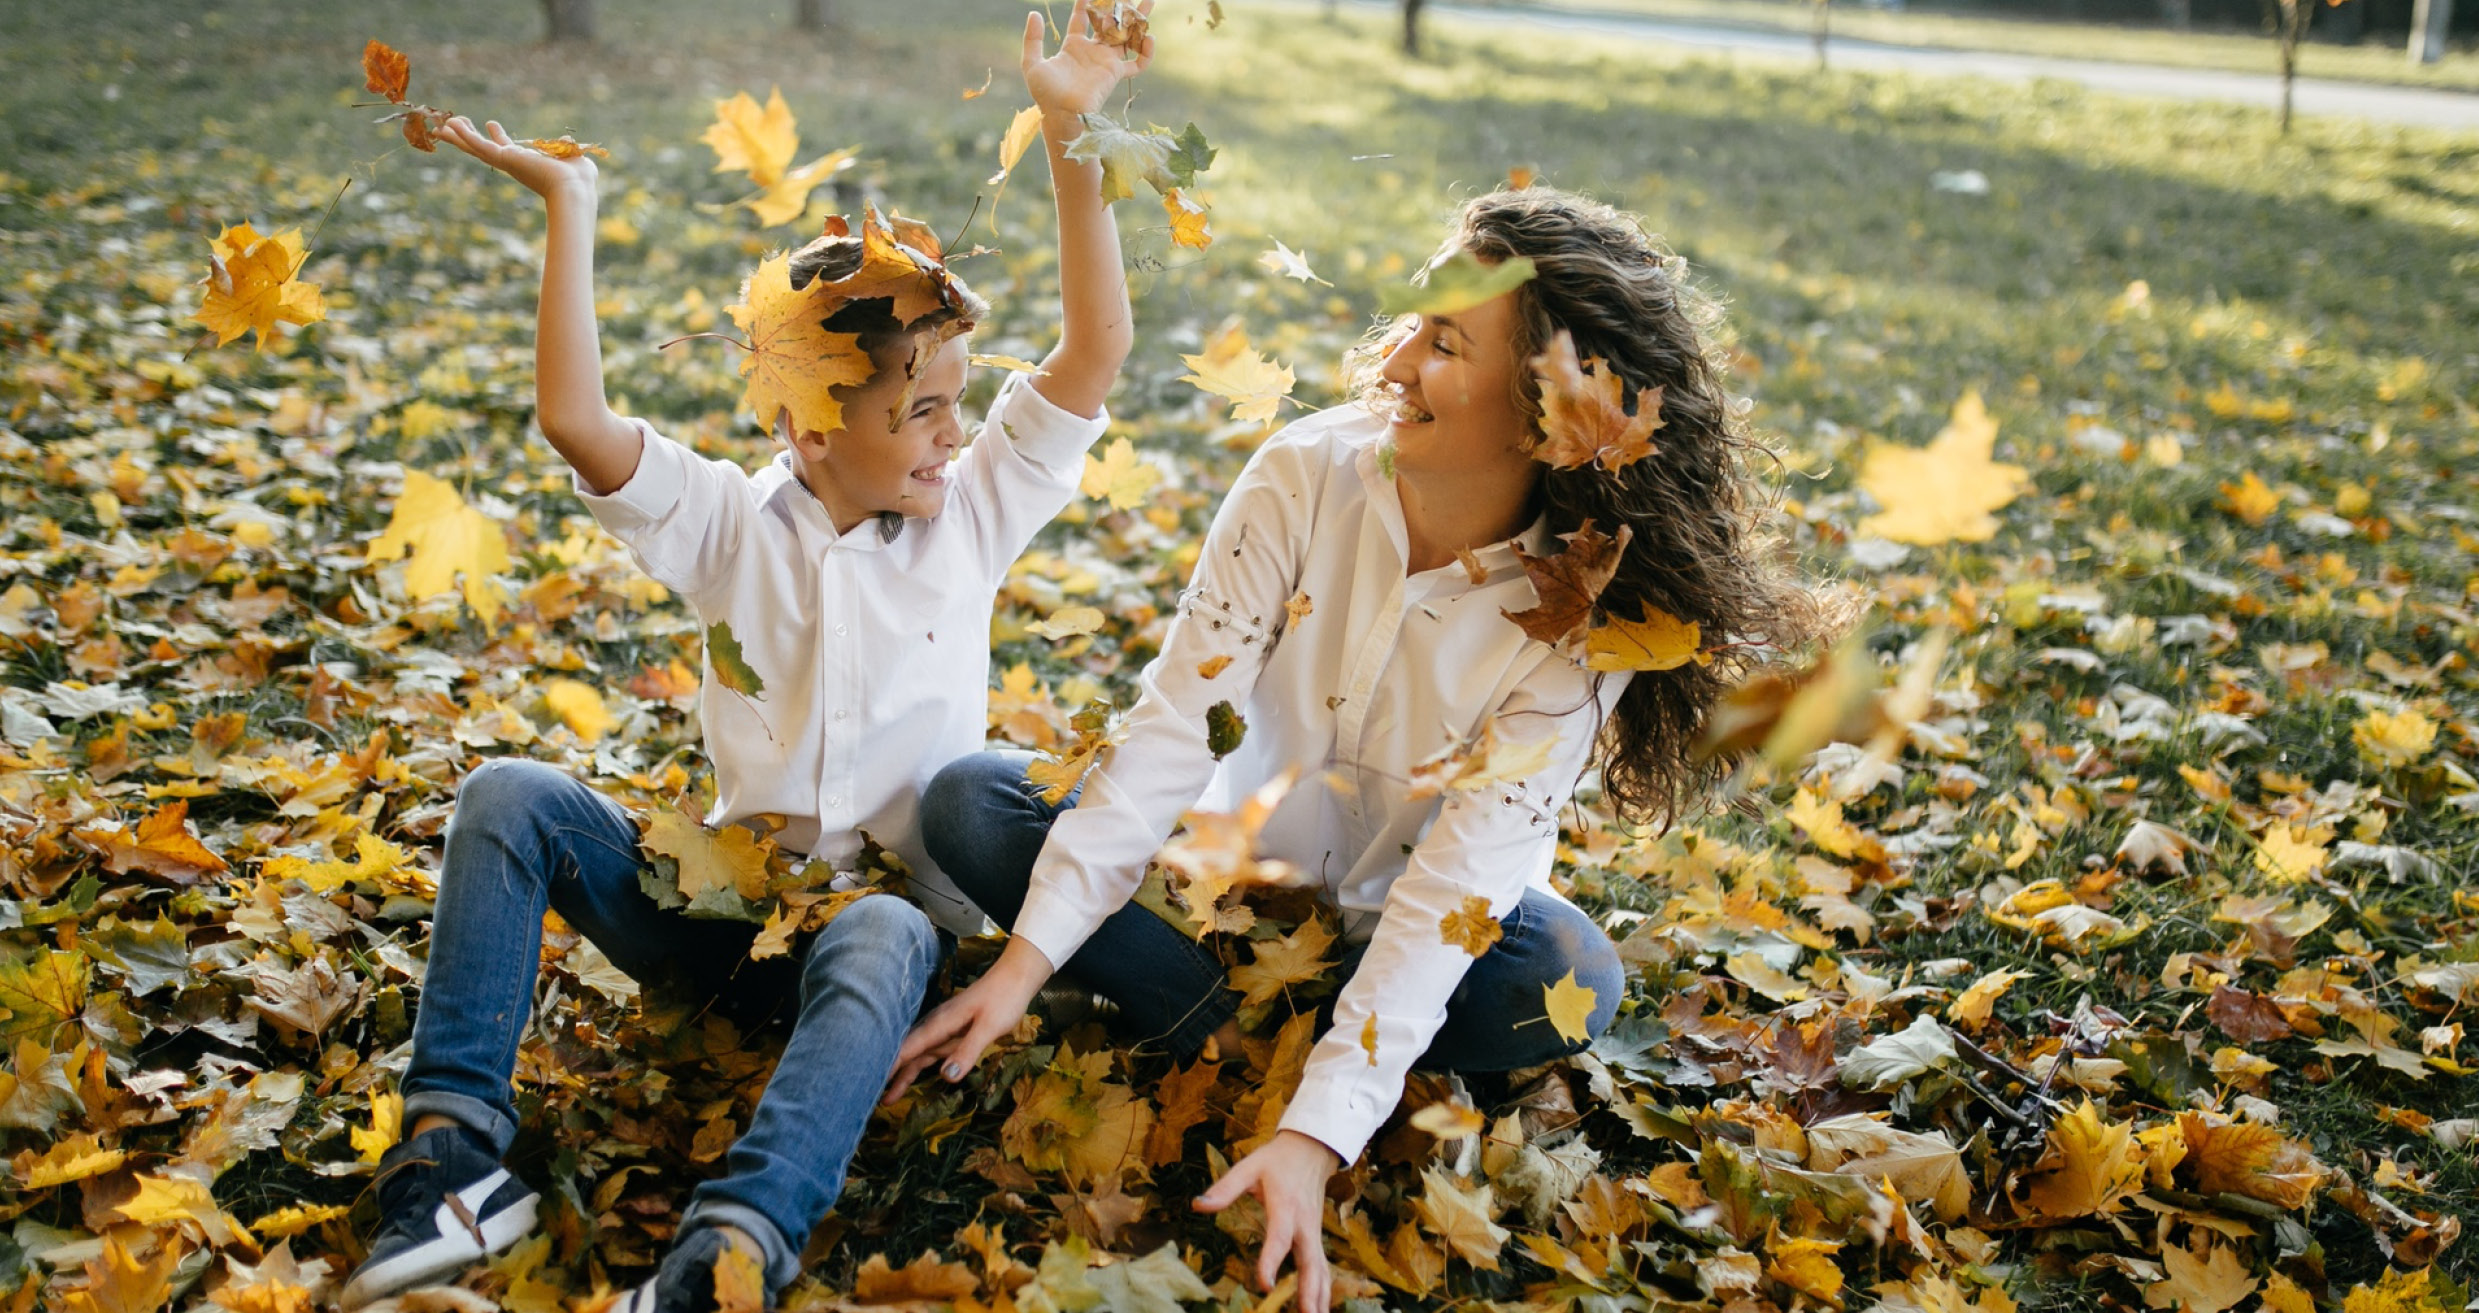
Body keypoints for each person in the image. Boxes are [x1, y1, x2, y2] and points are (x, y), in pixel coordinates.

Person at [891, 186, 1834, 1313]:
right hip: (1218, 889)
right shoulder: (1304, 473)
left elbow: (1454, 897)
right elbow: (1172, 728)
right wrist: (1022, 965)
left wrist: (1311, 1140)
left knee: (1569, 971)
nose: (1390, 359)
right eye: (1411, 322)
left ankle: (1245, 1036)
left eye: (1442, 342)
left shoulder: (1587, 614)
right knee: (973, 801)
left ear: (1548, 415)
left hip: (1408, 929)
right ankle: (1254, 1022)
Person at [340, 12, 1153, 1312]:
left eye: (957, 399)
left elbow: (1095, 349)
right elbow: (574, 419)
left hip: (881, 954)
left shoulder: (975, 515)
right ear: (808, 424)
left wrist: (1073, 131)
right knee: (505, 795)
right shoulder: (727, 520)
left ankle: (726, 1250)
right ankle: (453, 1164)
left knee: (885, 921)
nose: (954, 434)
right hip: (722, 920)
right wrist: (572, 204)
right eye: (921, 409)